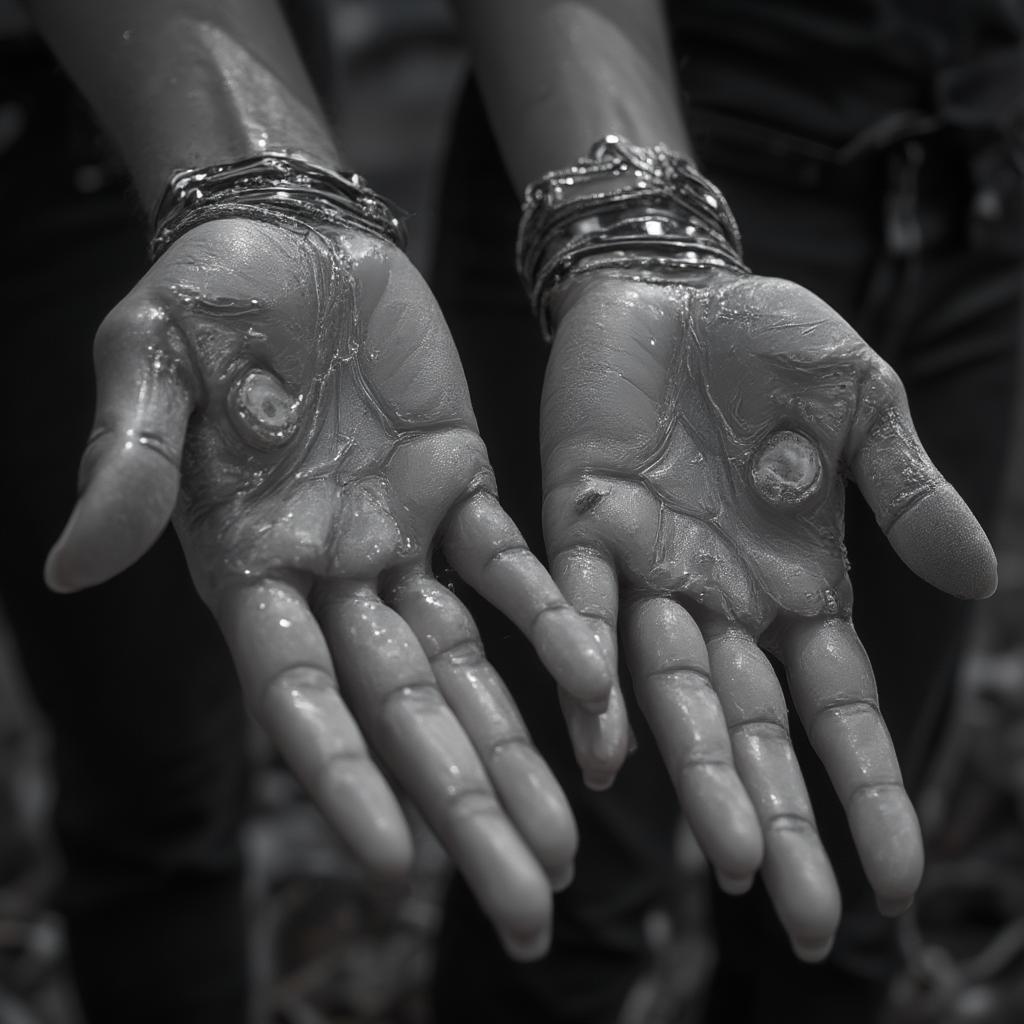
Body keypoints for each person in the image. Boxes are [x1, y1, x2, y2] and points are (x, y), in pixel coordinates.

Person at [10, 1, 1017, 1021]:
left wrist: (644, 244)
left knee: (832, 906)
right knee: (564, 880)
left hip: (972, 140)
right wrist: (255, 185)